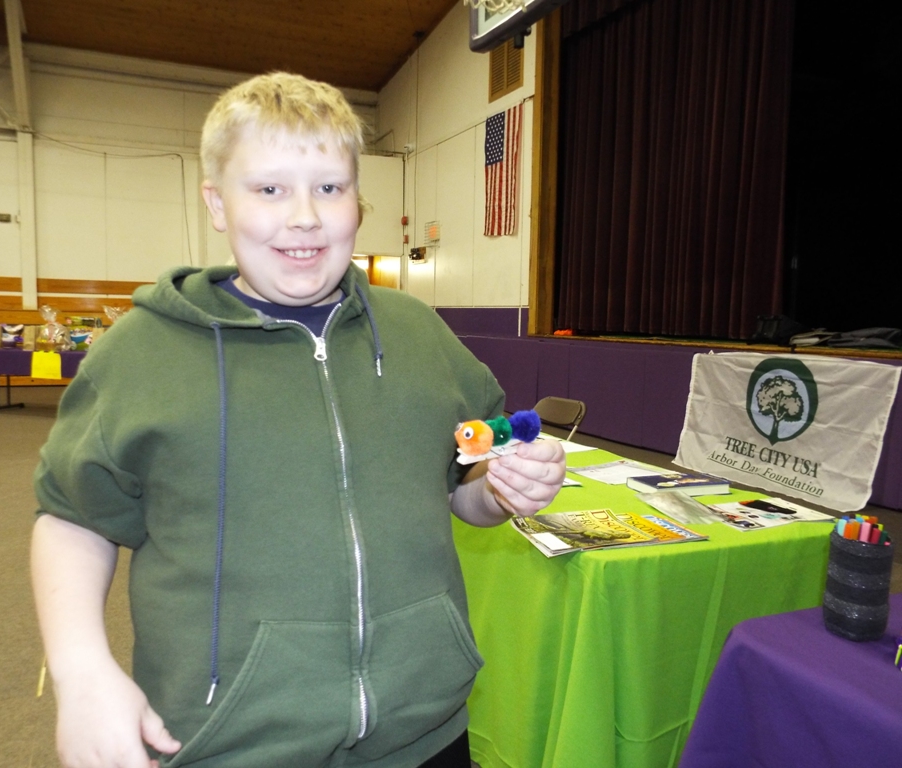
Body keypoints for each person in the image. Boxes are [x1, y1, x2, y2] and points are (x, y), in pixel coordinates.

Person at [31, 72, 566, 768]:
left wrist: (501, 489)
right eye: (269, 189)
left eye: (329, 187)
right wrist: (80, 671)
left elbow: (464, 486)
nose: (305, 216)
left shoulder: (419, 334)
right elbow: (73, 517)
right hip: (229, 741)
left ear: (357, 201)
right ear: (217, 203)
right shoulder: (141, 353)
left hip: (423, 732)